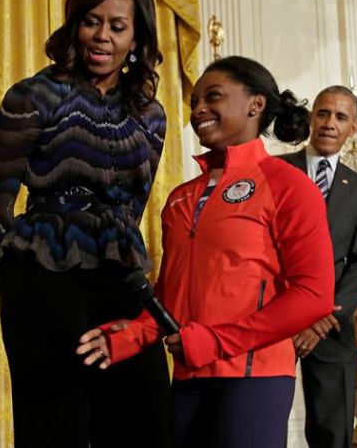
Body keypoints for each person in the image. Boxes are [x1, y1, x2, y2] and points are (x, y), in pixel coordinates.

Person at [77, 55, 336, 448]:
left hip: (255, 379)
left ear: (256, 104)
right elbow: (172, 297)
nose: (198, 109)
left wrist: (217, 342)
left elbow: (314, 296)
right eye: (194, 100)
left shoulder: (289, 185)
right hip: (188, 377)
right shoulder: (181, 198)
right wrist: (130, 335)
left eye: (212, 97)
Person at [0, 0, 171, 448]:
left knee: (143, 422)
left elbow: (133, 205)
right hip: (43, 274)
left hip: (121, 278)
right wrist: (7, 274)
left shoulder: (151, 116)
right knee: (55, 426)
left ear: (137, 37)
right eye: (91, 21)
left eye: (117, 25)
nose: (102, 36)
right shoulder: (33, 95)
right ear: (74, 24)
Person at [279, 86, 357, 448]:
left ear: (353, 128)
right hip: (272, 322)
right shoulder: (276, 170)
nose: (329, 123)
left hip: (332, 329)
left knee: (332, 433)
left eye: (340, 117)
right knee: (261, 423)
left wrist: (322, 319)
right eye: (322, 113)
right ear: (311, 118)